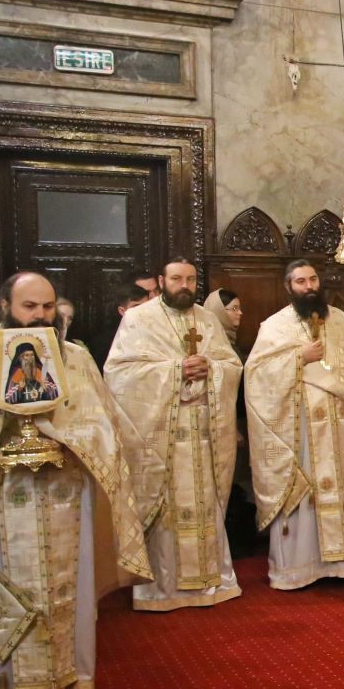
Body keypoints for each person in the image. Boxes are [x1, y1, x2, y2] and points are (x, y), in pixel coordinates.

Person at [0, 272, 161, 689]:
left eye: (46, 306)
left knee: (65, 591)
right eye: (29, 306)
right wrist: (2, 424)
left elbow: (102, 425)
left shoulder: (75, 359)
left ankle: (67, 677)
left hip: (63, 496)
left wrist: (61, 433)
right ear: (5, 307)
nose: (40, 316)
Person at [105, 258, 244, 611]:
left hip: (204, 431)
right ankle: (161, 589)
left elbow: (232, 366)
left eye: (190, 279)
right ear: (161, 281)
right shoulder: (139, 319)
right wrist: (175, 370)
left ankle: (214, 580)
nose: (184, 285)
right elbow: (119, 373)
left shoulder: (208, 320)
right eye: (177, 279)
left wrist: (210, 369)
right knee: (167, 512)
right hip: (161, 436)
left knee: (205, 505)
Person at [246, 261, 344, 588]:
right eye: (301, 281)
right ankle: (300, 570)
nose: (309, 286)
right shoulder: (274, 327)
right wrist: (298, 357)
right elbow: (256, 377)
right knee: (304, 498)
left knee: (340, 492)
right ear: (289, 287)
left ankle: (342, 566)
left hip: (340, 425)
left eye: (313, 279)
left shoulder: (340, 321)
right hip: (297, 429)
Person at [89, 282, 151, 371]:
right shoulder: (103, 341)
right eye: (136, 306)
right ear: (122, 311)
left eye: (146, 306)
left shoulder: (157, 335)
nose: (142, 311)